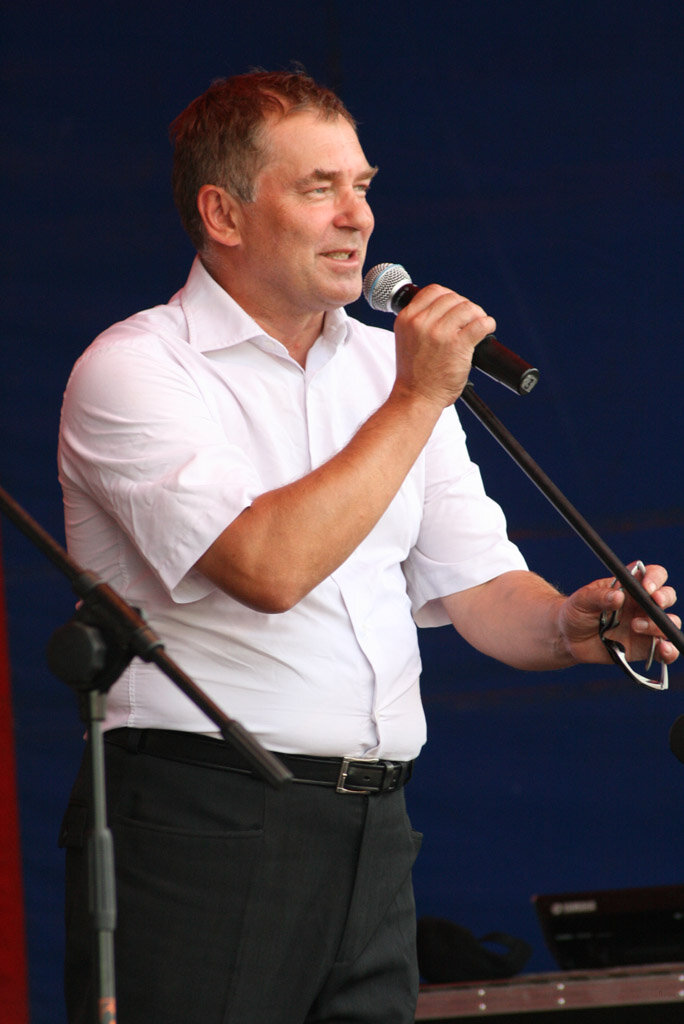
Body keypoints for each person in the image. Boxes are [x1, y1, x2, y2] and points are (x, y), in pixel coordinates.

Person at [57, 70, 679, 1024]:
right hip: (203, 821)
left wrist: (570, 623)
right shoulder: (139, 368)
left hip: (375, 830)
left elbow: (481, 590)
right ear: (222, 213)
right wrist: (418, 397)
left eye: (363, 186)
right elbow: (266, 568)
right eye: (320, 188)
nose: (359, 218)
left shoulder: (389, 374)